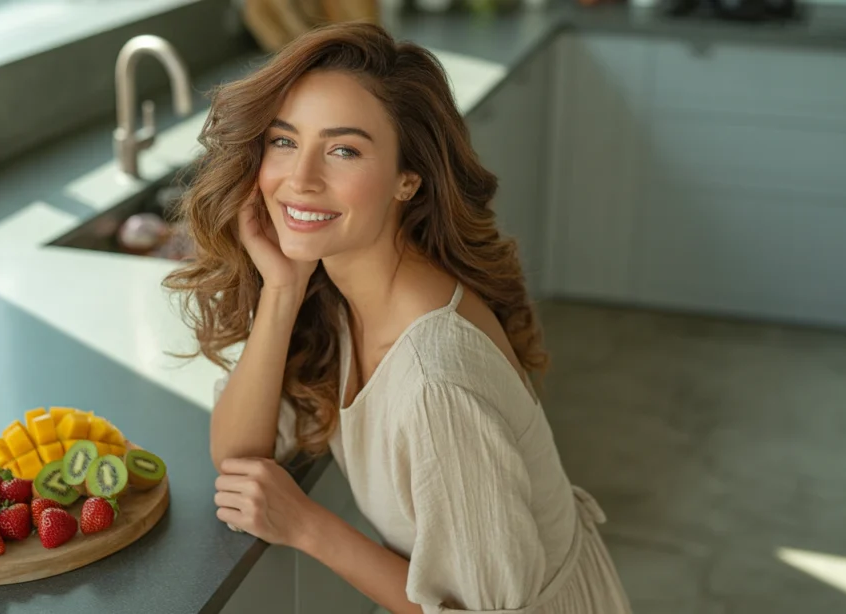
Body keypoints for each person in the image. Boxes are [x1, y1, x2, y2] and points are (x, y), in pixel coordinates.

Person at [164, 21, 632, 614]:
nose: (300, 180)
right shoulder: (343, 291)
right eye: (284, 141)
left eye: (343, 150)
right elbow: (237, 461)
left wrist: (308, 526)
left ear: (407, 178)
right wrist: (282, 291)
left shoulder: (435, 385)